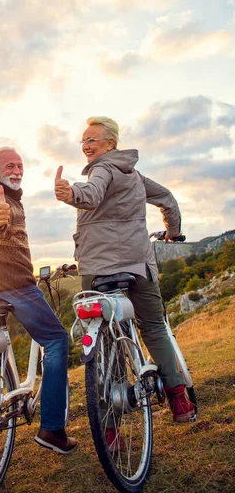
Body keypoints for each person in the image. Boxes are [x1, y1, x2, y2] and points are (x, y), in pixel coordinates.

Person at [54, 116, 195, 436]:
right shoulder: (134, 174)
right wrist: (174, 232)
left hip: (99, 268)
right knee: (155, 328)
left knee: (104, 339)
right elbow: (168, 200)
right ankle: (179, 400)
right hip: (138, 264)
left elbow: (90, 194)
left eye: (92, 140)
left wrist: (70, 193)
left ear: (110, 144)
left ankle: (109, 426)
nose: (87, 146)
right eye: (83, 142)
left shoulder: (102, 168)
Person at [0, 147, 77, 470]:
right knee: (57, 341)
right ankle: (52, 429)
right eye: (9, 166)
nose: (16, 170)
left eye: (19, 165)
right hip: (15, 285)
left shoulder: (9, 197)